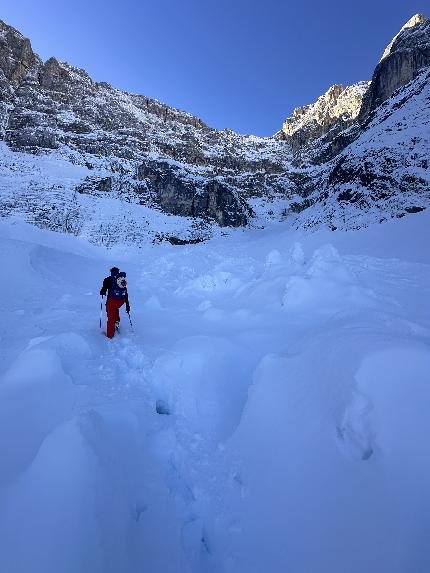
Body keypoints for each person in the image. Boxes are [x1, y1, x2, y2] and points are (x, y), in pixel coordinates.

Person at [100, 267, 131, 338]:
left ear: (111, 272)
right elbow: (125, 293)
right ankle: (116, 322)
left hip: (112, 301)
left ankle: (110, 335)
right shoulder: (122, 278)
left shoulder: (108, 279)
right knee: (116, 308)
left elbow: (103, 290)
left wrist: (102, 292)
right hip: (121, 301)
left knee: (110, 316)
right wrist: (127, 306)